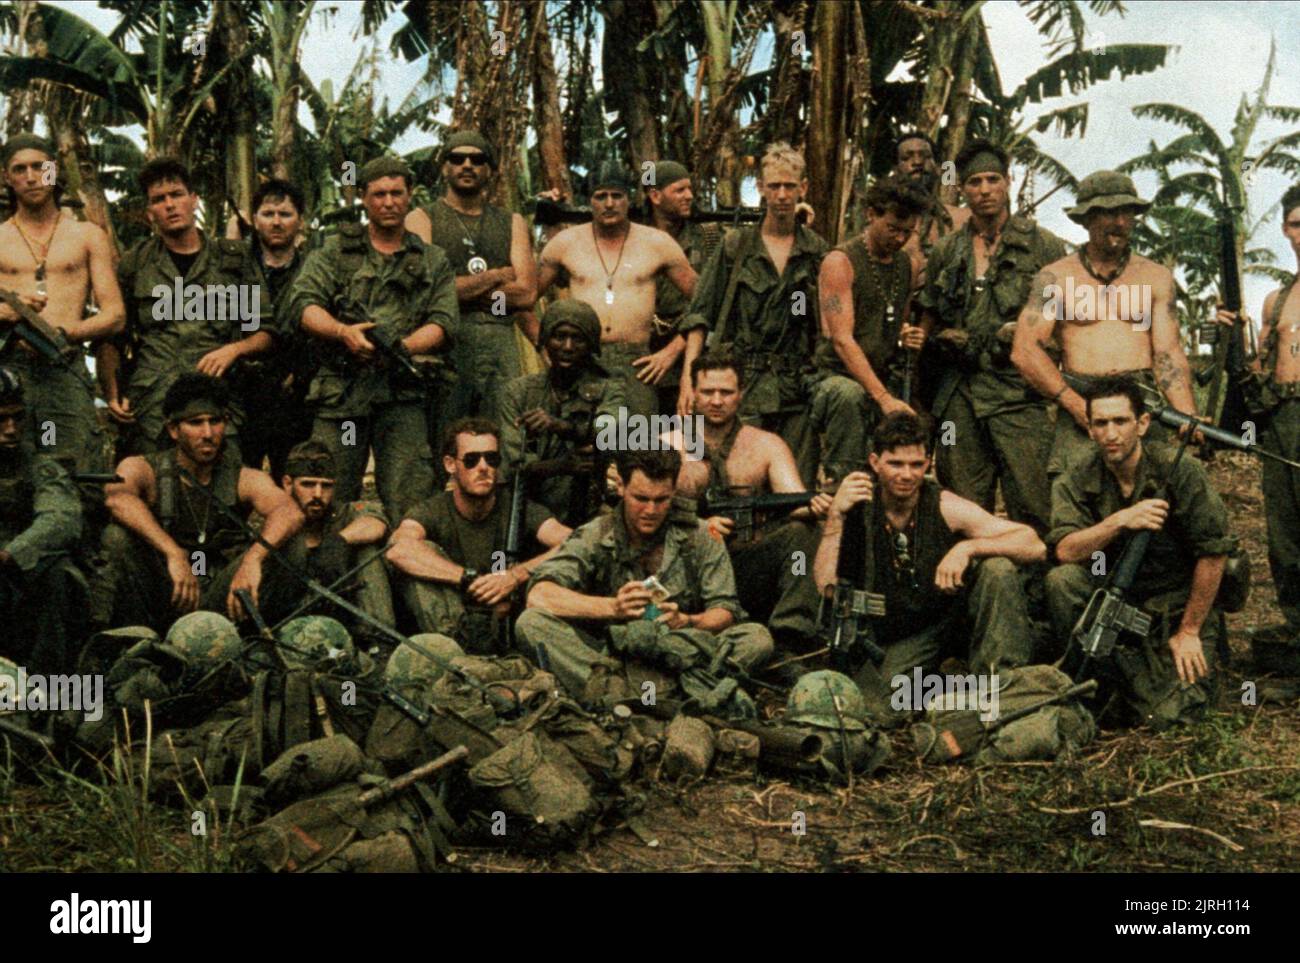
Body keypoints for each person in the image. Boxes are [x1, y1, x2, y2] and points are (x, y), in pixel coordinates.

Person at [813, 412, 1045, 724]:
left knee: (998, 569)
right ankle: (951, 685)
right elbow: (825, 586)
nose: (907, 475)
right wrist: (836, 518)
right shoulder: (857, 508)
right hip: (905, 635)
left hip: (951, 617)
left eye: (916, 465)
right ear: (875, 462)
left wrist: (968, 547)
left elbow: (1034, 545)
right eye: (895, 464)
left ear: (928, 464)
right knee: (883, 710)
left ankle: (1004, 687)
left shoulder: (944, 505)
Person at [516, 448, 774, 717]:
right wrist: (613, 607)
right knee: (530, 624)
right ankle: (677, 694)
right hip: (612, 658)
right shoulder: (595, 534)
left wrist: (687, 621)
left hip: (681, 653)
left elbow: (725, 611)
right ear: (621, 487)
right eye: (641, 498)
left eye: (661, 500)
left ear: (674, 491)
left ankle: (641, 697)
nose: (651, 510)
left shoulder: (701, 535)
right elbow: (539, 595)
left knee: (757, 638)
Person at [1045, 377, 1231, 727]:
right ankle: (1103, 680)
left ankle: (1143, 681)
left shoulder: (1179, 470)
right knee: (1063, 581)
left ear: (1142, 424)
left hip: (1177, 607)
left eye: (1120, 421)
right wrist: (1119, 521)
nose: (1111, 434)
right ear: (1089, 429)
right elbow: (1066, 551)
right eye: (1100, 423)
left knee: (1170, 716)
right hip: (1117, 603)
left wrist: (1190, 630)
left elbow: (1214, 552)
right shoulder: (1076, 475)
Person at [288, 156, 458, 517]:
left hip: (400, 396)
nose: (389, 202)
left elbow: (443, 322)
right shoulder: (334, 252)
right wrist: (342, 332)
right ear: (364, 198)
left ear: (410, 195)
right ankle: (332, 566)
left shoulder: (432, 259)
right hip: (342, 395)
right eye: (379, 194)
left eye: (397, 193)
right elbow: (304, 306)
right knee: (330, 488)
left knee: (409, 493)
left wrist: (400, 349)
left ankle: (410, 565)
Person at [916, 139, 1069, 531]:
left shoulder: (1043, 246)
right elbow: (928, 317)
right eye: (974, 182)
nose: (984, 190)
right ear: (962, 189)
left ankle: (1037, 588)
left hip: (1018, 394)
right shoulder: (948, 250)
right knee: (963, 508)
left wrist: (1022, 335)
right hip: (959, 395)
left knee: (1035, 503)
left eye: (992, 179)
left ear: (1007, 182)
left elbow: (1063, 325)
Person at [1011, 170, 1198, 477]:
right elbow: (1024, 350)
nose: (1120, 223)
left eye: (1127, 213)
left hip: (1141, 404)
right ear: (1086, 219)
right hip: (1081, 400)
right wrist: (1074, 404)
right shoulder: (1055, 277)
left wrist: (1187, 412)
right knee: (1074, 495)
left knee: (1156, 495)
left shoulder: (1155, 277)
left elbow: (1168, 353)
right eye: (1108, 213)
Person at [93, 373, 304, 633]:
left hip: (219, 596)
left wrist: (253, 560)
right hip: (163, 592)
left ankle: (254, 638)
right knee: (116, 538)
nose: (207, 433)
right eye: (195, 423)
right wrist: (174, 552)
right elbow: (117, 498)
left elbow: (289, 512)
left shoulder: (244, 477)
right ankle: (131, 640)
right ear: (173, 429)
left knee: (289, 545)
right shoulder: (144, 467)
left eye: (215, 422)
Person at [678, 142, 828, 481]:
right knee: (737, 481)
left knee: (794, 483)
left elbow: (824, 322)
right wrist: (689, 380)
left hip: (795, 385)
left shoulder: (816, 251)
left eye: (790, 186)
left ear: (803, 188)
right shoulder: (736, 246)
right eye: (773, 186)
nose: (782, 195)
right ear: (760, 188)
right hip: (743, 384)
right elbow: (699, 316)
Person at [665, 351, 831, 652]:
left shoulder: (766, 445)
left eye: (726, 392)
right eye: (708, 392)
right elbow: (648, 513)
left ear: (741, 394)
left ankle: (790, 636)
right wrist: (702, 527)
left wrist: (823, 507)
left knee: (803, 532)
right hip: (688, 570)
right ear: (693, 393)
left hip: (746, 565)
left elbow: (793, 501)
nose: (717, 401)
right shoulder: (668, 445)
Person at [108, 157, 269, 456]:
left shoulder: (232, 260)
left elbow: (264, 332)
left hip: (218, 399)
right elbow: (113, 334)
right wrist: (112, 393)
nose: (170, 205)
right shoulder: (136, 263)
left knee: (226, 487)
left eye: (177, 194)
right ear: (149, 212)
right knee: (150, 485)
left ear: (194, 200)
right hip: (153, 399)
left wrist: (234, 350)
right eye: (159, 199)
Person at [386, 418, 571, 654]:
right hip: (451, 620)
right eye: (472, 460)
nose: (483, 467)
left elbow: (573, 542)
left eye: (491, 459)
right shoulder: (432, 510)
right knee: (421, 554)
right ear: (450, 464)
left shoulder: (517, 507)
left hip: (508, 619)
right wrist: (467, 578)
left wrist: (514, 576)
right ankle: (457, 653)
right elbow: (398, 549)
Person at [0, 133, 122, 482]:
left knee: (64, 461)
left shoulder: (86, 235)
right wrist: (8, 314)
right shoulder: (1, 238)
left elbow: (114, 315)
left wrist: (64, 333)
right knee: (15, 471)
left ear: (54, 171)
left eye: (40, 167)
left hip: (63, 369)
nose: (31, 176)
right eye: (19, 169)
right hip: (11, 375)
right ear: (7, 178)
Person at [537, 163, 696, 419]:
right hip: (581, 360)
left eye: (617, 195)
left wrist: (672, 351)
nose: (609, 203)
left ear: (629, 198)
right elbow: (523, 298)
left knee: (637, 448)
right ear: (589, 201)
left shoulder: (657, 243)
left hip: (637, 363)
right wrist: (542, 344)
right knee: (580, 443)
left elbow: (707, 303)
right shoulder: (565, 244)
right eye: (601, 196)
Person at [405, 130, 537, 427]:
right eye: (457, 158)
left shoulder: (510, 222)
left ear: (489, 170)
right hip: (447, 337)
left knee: (506, 435)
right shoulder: (422, 219)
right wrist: (495, 276)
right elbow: (427, 291)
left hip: (500, 336)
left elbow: (527, 293)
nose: (467, 165)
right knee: (445, 436)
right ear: (444, 167)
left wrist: (457, 287)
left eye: (477, 159)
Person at [810, 176, 928, 482]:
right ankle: (844, 484)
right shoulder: (840, 262)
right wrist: (884, 398)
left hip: (881, 374)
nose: (899, 238)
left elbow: (892, 320)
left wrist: (906, 334)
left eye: (907, 231)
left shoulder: (906, 265)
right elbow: (841, 340)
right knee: (848, 396)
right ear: (871, 214)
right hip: (833, 377)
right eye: (892, 228)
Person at [498, 299, 624, 526]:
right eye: (559, 337)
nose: (567, 346)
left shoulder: (609, 390)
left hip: (590, 509)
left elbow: (610, 431)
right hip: (529, 510)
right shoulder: (519, 392)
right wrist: (563, 467)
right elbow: (513, 464)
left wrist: (560, 426)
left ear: (591, 345)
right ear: (546, 341)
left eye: (578, 338)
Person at [1239, 183, 1300, 645]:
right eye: (1298, 224)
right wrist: (1230, 337)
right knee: (1284, 536)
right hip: (1282, 418)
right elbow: (1258, 367)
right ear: (1286, 230)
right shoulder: (1276, 300)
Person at [0, 367, 83, 674]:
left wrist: (10, 555)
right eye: (1, 419)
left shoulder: (38, 464)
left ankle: (44, 691)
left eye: (17, 418)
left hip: (19, 580)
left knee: (59, 574)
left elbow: (61, 518)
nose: (11, 429)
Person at [231, 178, 313, 478]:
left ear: (300, 221)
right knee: (238, 479)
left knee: (293, 479)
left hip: (295, 395)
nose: (276, 222)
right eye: (268, 214)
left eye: (285, 214)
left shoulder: (314, 269)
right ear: (254, 220)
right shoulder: (233, 268)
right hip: (242, 393)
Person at [278, 439, 395, 646]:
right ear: (288, 483)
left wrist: (338, 542)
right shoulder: (276, 523)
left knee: (365, 548)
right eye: (308, 484)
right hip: (298, 627)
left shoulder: (344, 514)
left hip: (353, 622)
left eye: (326, 486)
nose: (317, 494)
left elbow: (376, 523)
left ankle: (378, 637)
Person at [644, 160, 719, 413]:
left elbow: (710, 304)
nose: (689, 196)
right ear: (655, 196)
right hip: (644, 362)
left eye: (690, 189)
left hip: (692, 360)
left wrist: (673, 350)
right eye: (679, 190)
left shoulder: (709, 237)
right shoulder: (633, 239)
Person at [893, 131, 970, 289]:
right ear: (896, 169)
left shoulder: (961, 220)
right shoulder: (881, 222)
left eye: (926, 156)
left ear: (938, 167)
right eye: (907, 158)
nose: (917, 162)